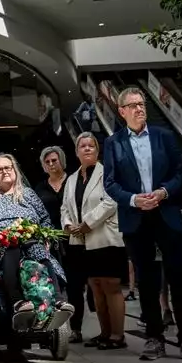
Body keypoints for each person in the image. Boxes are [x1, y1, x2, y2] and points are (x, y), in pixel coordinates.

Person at [102, 86, 182, 362]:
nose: (139, 109)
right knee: (146, 281)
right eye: (133, 105)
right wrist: (134, 199)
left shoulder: (164, 136)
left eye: (142, 104)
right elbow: (110, 183)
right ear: (122, 112)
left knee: (178, 278)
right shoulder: (113, 143)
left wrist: (164, 192)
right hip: (136, 218)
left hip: (166, 212)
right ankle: (154, 338)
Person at [0, 154, 72, 333]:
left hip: (29, 239)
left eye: (8, 168)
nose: (4, 171)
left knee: (36, 246)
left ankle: (57, 300)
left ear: (15, 171)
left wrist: (46, 237)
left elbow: (44, 219)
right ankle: (18, 301)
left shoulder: (27, 194)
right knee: (9, 244)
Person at [62, 132, 125, 349]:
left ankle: (118, 335)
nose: (87, 148)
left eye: (91, 146)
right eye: (83, 146)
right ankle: (104, 333)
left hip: (105, 236)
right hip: (81, 240)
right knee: (95, 286)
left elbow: (112, 201)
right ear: (77, 151)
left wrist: (87, 223)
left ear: (97, 151)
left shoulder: (107, 172)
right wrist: (68, 225)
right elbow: (65, 208)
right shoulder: (71, 179)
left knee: (111, 285)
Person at [35, 146, 68, 230]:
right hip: (54, 233)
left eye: (54, 160)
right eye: (47, 162)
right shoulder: (40, 188)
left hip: (76, 229)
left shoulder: (74, 180)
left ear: (61, 160)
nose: (51, 164)